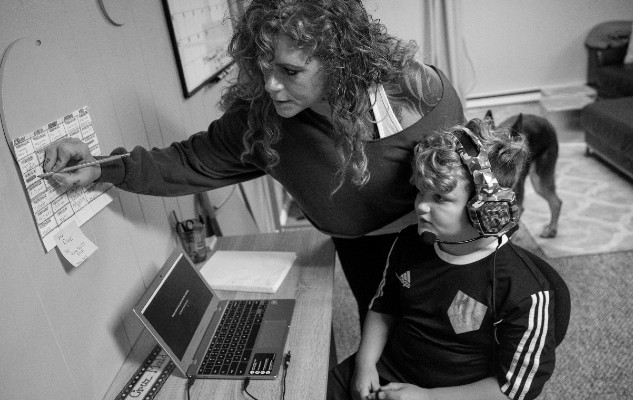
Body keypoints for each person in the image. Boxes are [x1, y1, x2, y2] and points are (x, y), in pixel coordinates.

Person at [41, 0, 464, 329]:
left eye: (289, 70)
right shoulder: (266, 121)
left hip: (438, 245)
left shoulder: (416, 93)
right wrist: (102, 167)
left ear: (340, 58)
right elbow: (187, 161)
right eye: (263, 70)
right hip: (361, 251)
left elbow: (469, 183)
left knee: (451, 340)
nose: (271, 86)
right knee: (383, 349)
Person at [327, 119, 557, 400]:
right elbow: (383, 307)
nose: (421, 206)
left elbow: (515, 389)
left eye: (440, 198)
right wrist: (365, 365)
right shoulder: (408, 242)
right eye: (421, 191)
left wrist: (427, 397)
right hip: (389, 370)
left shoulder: (523, 290)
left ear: (486, 210)